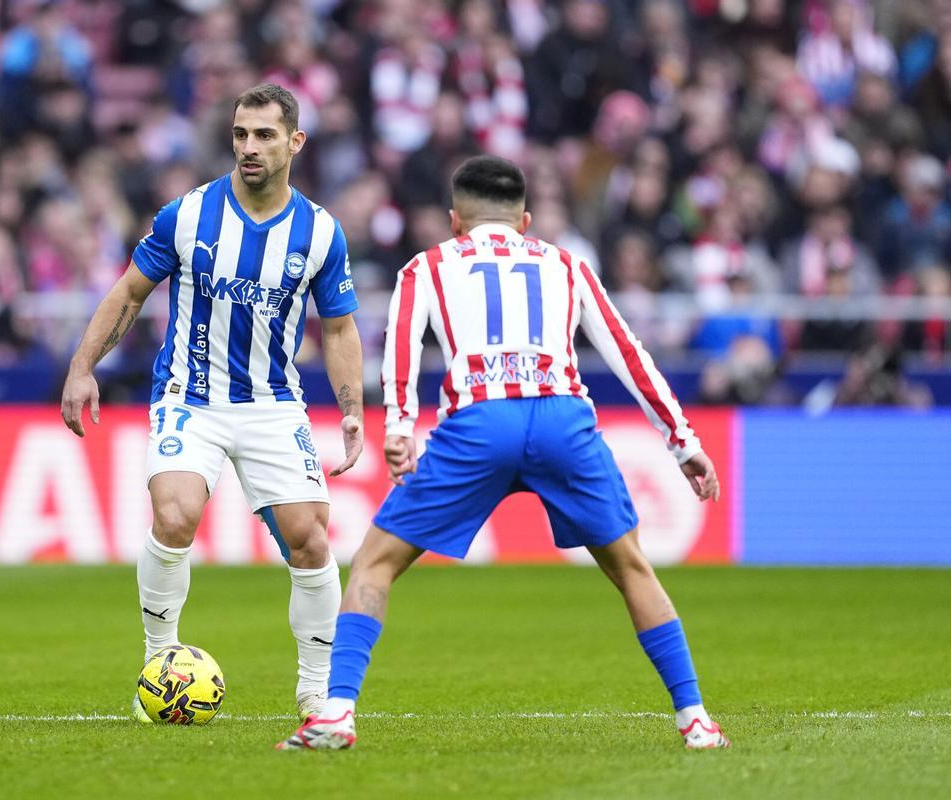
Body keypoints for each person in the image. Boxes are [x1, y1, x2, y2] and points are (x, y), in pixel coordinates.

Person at [278, 156, 729, 751]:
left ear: (454, 220)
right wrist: (684, 444)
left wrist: (401, 427)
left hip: (479, 424)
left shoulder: (428, 266)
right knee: (631, 568)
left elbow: (401, 346)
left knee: (375, 564)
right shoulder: (568, 265)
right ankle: (694, 718)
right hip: (563, 419)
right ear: (526, 218)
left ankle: (337, 713)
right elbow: (629, 353)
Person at [60, 84, 365, 722]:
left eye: (264, 136)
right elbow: (129, 293)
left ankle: (315, 688)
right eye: (240, 134)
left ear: (295, 143)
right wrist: (83, 367)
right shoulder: (189, 215)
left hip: (274, 403)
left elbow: (337, 328)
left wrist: (352, 408)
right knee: (174, 516)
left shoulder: (319, 231)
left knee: (310, 538)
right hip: (190, 397)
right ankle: (160, 659)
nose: (249, 147)